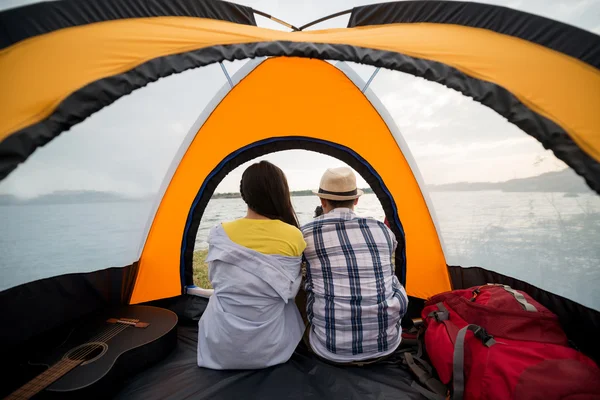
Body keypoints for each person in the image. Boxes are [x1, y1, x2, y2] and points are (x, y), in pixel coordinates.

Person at [197, 161, 306, 369]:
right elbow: (292, 290)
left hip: (220, 345)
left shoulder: (218, 234)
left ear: (243, 194)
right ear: (282, 193)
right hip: (272, 348)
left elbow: (216, 281)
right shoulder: (294, 235)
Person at [300, 166, 408, 365]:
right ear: (356, 200)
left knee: (305, 285)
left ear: (322, 201)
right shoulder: (381, 230)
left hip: (330, 350)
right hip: (387, 345)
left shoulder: (305, 233)